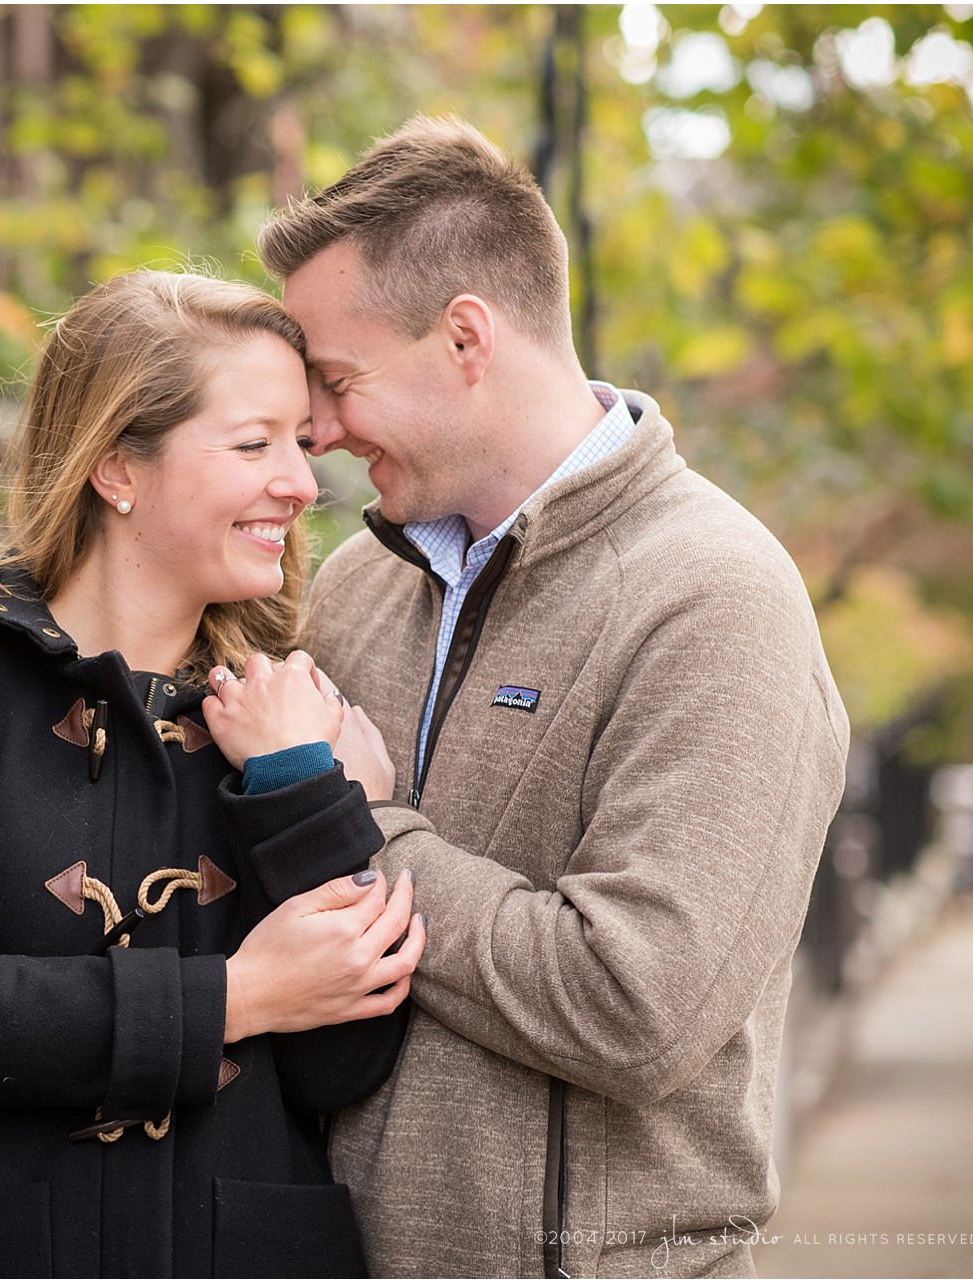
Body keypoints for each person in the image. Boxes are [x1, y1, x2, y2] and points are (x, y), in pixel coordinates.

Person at [234, 116, 851, 1277]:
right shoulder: (357, 585)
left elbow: (639, 1003)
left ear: (467, 336)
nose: (314, 429)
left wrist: (362, 824)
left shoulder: (716, 600)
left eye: (336, 379)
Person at [0, 270, 426, 1278]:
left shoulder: (285, 717)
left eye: (301, 444)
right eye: (253, 442)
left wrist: (307, 790)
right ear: (116, 469)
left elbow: (348, 1062)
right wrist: (233, 995)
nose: (304, 485)